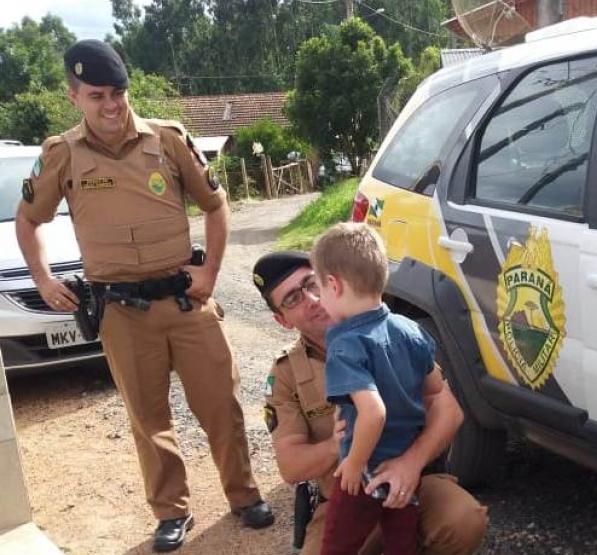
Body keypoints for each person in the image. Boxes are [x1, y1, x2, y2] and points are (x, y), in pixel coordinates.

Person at [14, 39, 273, 552]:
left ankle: (244, 495)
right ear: (73, 96)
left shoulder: (168, 139)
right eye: (97, 96)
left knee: (221, 405)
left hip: (186, 302)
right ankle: (171, 511)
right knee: (148, 419)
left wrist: (211, 272)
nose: (111, 105)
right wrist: (43, 279)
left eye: (119, 93)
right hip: (121, 311)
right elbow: (28, 220)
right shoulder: (61, 154)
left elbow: (216, 206)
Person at [253, 249, 488, 555]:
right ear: (282, 320)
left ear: (330, 282)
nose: (310, 299)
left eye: (311, 284)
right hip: (344, 496)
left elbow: (448, 410)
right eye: (292, 299)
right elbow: (291, 466)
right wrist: (339, 445)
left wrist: (412, 462)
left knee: (462, 519)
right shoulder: (286, 374)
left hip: (409, 481)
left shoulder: (391, 335)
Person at [311, 222, 435, 555]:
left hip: (365, 471)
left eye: (319, 289)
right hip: (404, 471)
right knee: (402, 546)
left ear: (334, 285)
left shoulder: (345, 345)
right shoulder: (411, 330)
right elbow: (434, 390)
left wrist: (354, 463)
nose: (319, 299)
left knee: (336, 548)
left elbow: (373, 412)